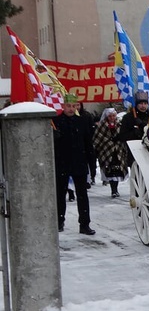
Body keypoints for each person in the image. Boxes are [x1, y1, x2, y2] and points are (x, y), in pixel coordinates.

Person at [52, 93, 96, 235]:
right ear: (63, 106)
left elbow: (88, 143)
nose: (71, 109)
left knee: (82, 194)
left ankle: (84, 224)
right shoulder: (56, 121)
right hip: (62, 162)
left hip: (79, 162)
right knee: (60, 194)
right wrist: (55, 137)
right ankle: (59, 221)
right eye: (68, 106)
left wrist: (92, 164)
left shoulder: (82, 121)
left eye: (74, 106)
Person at [93, 108, 129, 198]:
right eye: (110, 116)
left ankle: (115, 189)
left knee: (117, 170)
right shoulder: (102, 125)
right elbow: (98, 138)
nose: (112, 117)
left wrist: (119, 138)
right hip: (107, 150)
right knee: (110, 170)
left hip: (118, 150)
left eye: (113, 115)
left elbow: (123, 134)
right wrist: (107, 141)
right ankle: (113, 190)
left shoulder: (120, 124)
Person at [118, 90, 149, 165]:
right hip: (134, 153)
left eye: (145, 103)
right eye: (141, 103)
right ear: (136, 104)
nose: (143, 106)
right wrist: (133, 133)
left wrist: (142, 125)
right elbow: (122, 136)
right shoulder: (128, 117)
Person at [76, 101, 98, 185]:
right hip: (76, 144)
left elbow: (91, 129)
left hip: (86, 143)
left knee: (88, 162)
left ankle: (89, 178)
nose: (77, 107)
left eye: (78, 105)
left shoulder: (86, 115)